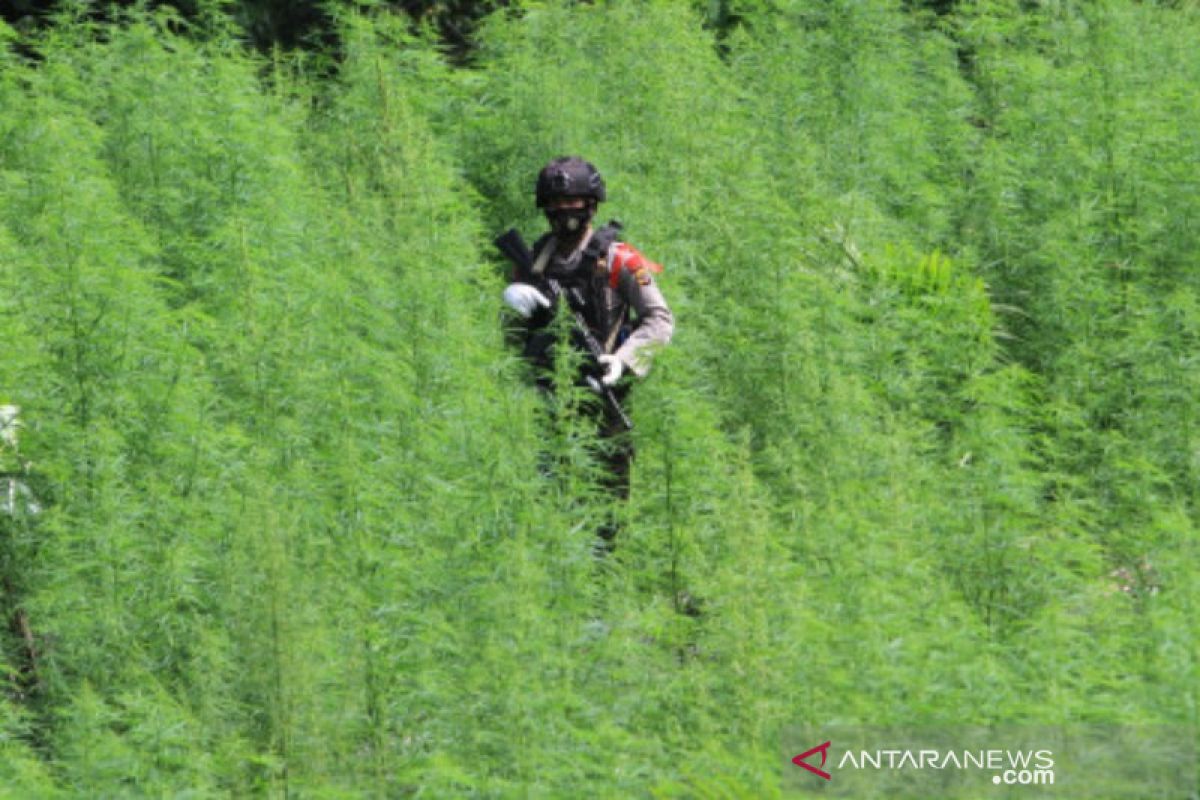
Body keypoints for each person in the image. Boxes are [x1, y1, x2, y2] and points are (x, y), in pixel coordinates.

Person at [501, 156, 674, 544]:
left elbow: (660, 321)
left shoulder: (619, 258)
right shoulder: (534, 261)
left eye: (574, 204)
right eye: (556, 205)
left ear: (592, 204)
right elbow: (508, 344)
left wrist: (624, 362)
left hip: (602, 397)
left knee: (608, 516)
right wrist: (513, 308)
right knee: (549, 505)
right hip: (546, 402)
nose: (566, 213)